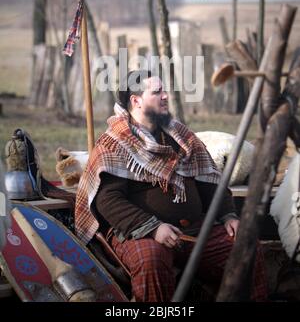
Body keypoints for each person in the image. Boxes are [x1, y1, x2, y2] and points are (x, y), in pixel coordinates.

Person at [75, 70, 267, 302]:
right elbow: (108, 201)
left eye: (164, 90)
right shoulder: (115, 143)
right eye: (157, 92)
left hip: (194, 231)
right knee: (151, 259)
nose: (166, 96)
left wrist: (228, 215)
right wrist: (153, 228)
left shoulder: (181, 136)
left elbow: (208, 179)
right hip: (141, 234)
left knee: (246, 244)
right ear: (136, 101)